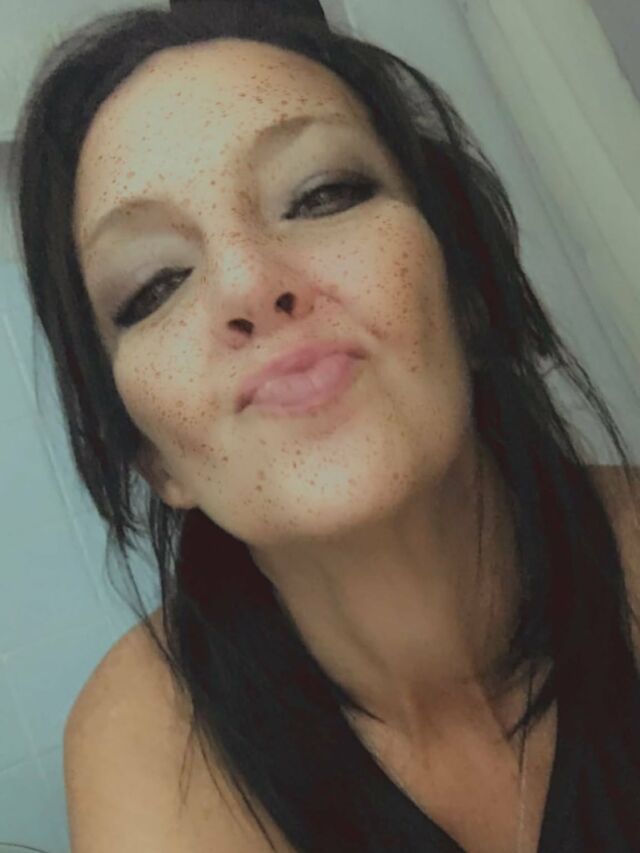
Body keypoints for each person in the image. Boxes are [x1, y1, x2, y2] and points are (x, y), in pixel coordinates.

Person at [7, 2, 640, 851]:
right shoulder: (147, 748)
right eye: (155, 285)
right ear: (153, 457)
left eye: (321, 195)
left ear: (468, 288)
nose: (248, 283)